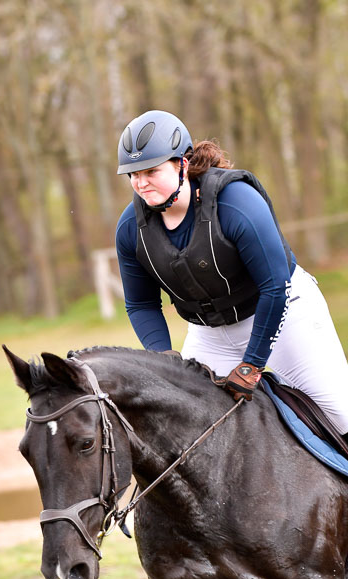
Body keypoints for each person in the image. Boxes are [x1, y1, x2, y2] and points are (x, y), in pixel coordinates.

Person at [116, 109, 348, 439]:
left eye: (151, 171)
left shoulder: (235, 201)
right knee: (190, 432)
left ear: (182, 164)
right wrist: (164, 358)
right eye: (133, 174)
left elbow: (275, 287)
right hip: (210, 333)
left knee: (341, 416)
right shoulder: (130, 228)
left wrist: (252, 363)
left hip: (284, 312)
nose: (141, 183)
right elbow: (141, 305)